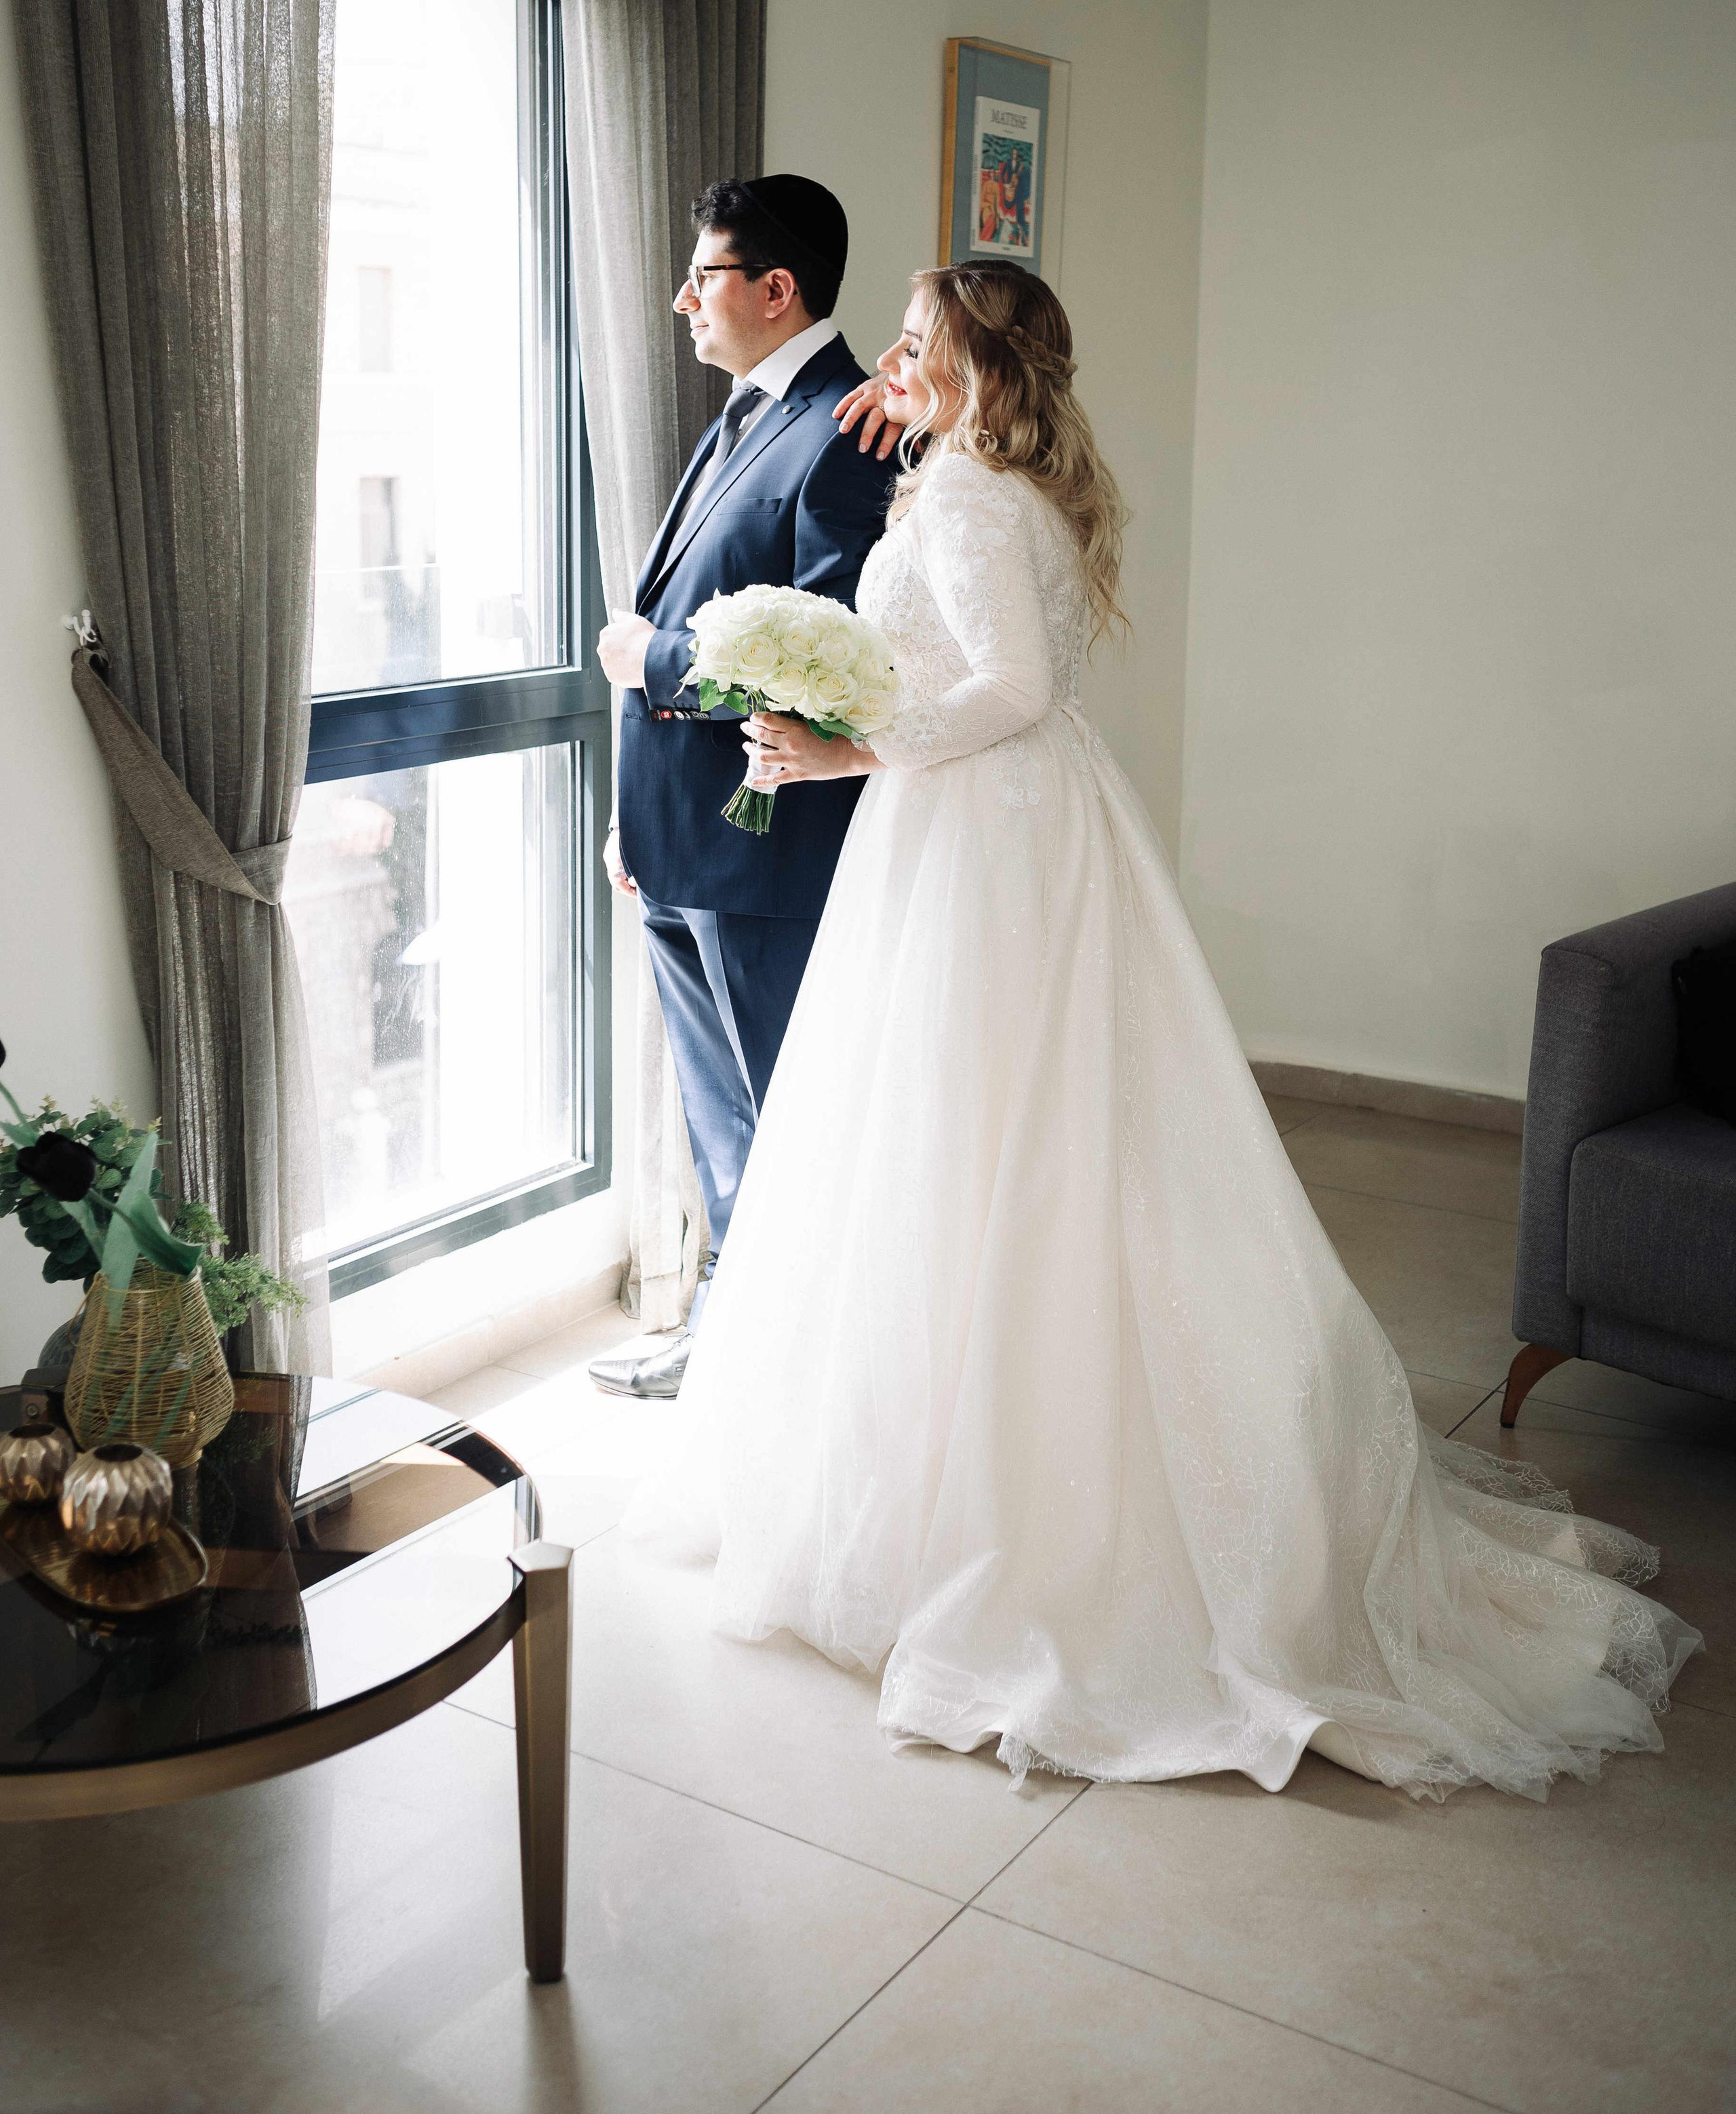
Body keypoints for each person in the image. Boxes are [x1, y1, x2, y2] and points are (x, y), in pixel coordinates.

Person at [629, 258, 1701, 1800]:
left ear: (982, 364)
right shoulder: (972, 473)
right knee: (957, 1148)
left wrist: (834, 750)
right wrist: (897, 473)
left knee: (997, 1147)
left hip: (983, 843)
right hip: (974, 835)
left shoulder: (983, 501)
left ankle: (1026, 1515)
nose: (891, 359)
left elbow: (998, 688)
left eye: (919, 341)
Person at [588, 175, 896, 1401]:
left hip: (767, 851)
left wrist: (647, 661)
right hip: (677, 840)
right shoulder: (745, 412)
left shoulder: (851, 429)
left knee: (786, 1116)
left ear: (778, 289)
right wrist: (632, 814)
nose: (679, 300)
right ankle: (734, 1350)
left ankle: (811, 1377)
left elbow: (833, 668)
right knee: (718, 1122)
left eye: (702, 275)